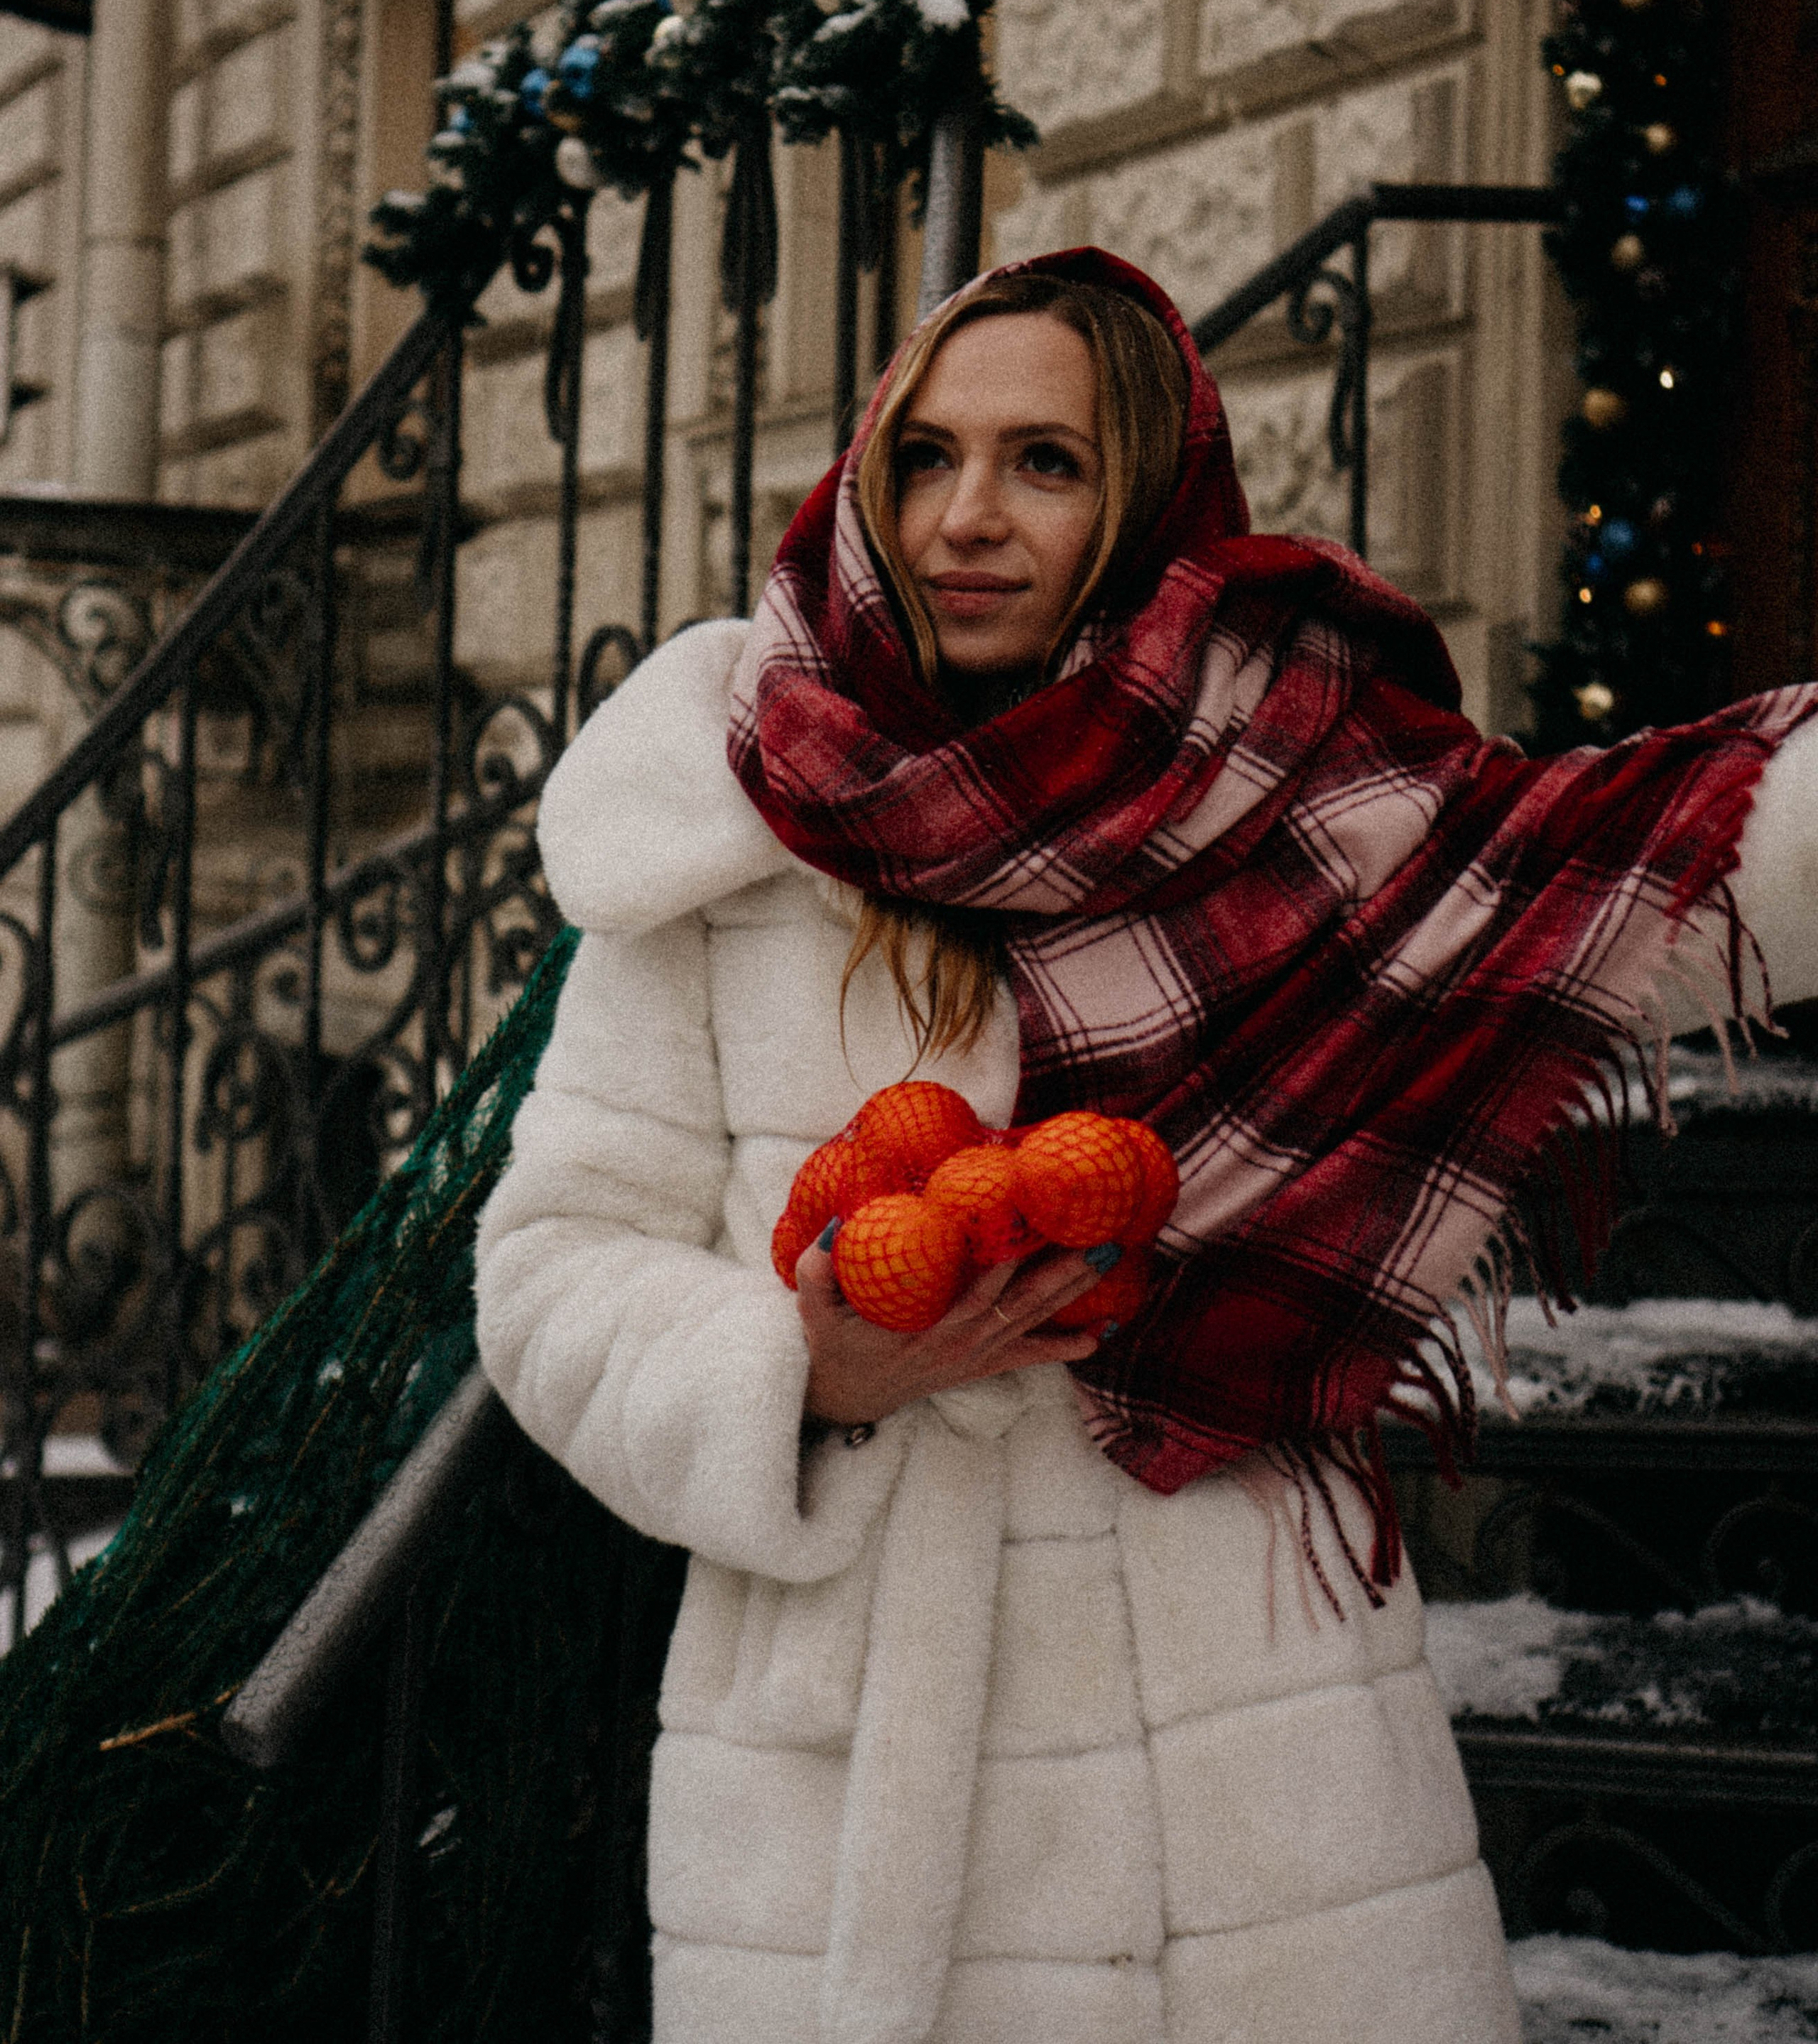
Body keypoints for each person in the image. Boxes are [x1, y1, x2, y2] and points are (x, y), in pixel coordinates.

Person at [474, 246, 1818, 2044]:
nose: (966, 516)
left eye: (1045, 462)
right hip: (859, 1793)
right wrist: (796, 1369)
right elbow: (554, 1262)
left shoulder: (1296, 785)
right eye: (926, 457)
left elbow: (1645, 858)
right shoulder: (734, 828)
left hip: (1252, 1782)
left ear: (1153, 502)